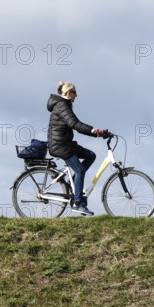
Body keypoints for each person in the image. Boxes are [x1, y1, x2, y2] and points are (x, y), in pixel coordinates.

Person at [47, 81, 107, 216]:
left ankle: (74, 185)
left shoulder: (64, 104)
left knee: (91, 155)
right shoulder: (62, 105)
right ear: (68, 93)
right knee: (79, 170)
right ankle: (78, 203)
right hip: (60, 145)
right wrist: (93, 130)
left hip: (65, 144)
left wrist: (98, 133)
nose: (76, 96)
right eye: (75, 93)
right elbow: (74, 124)